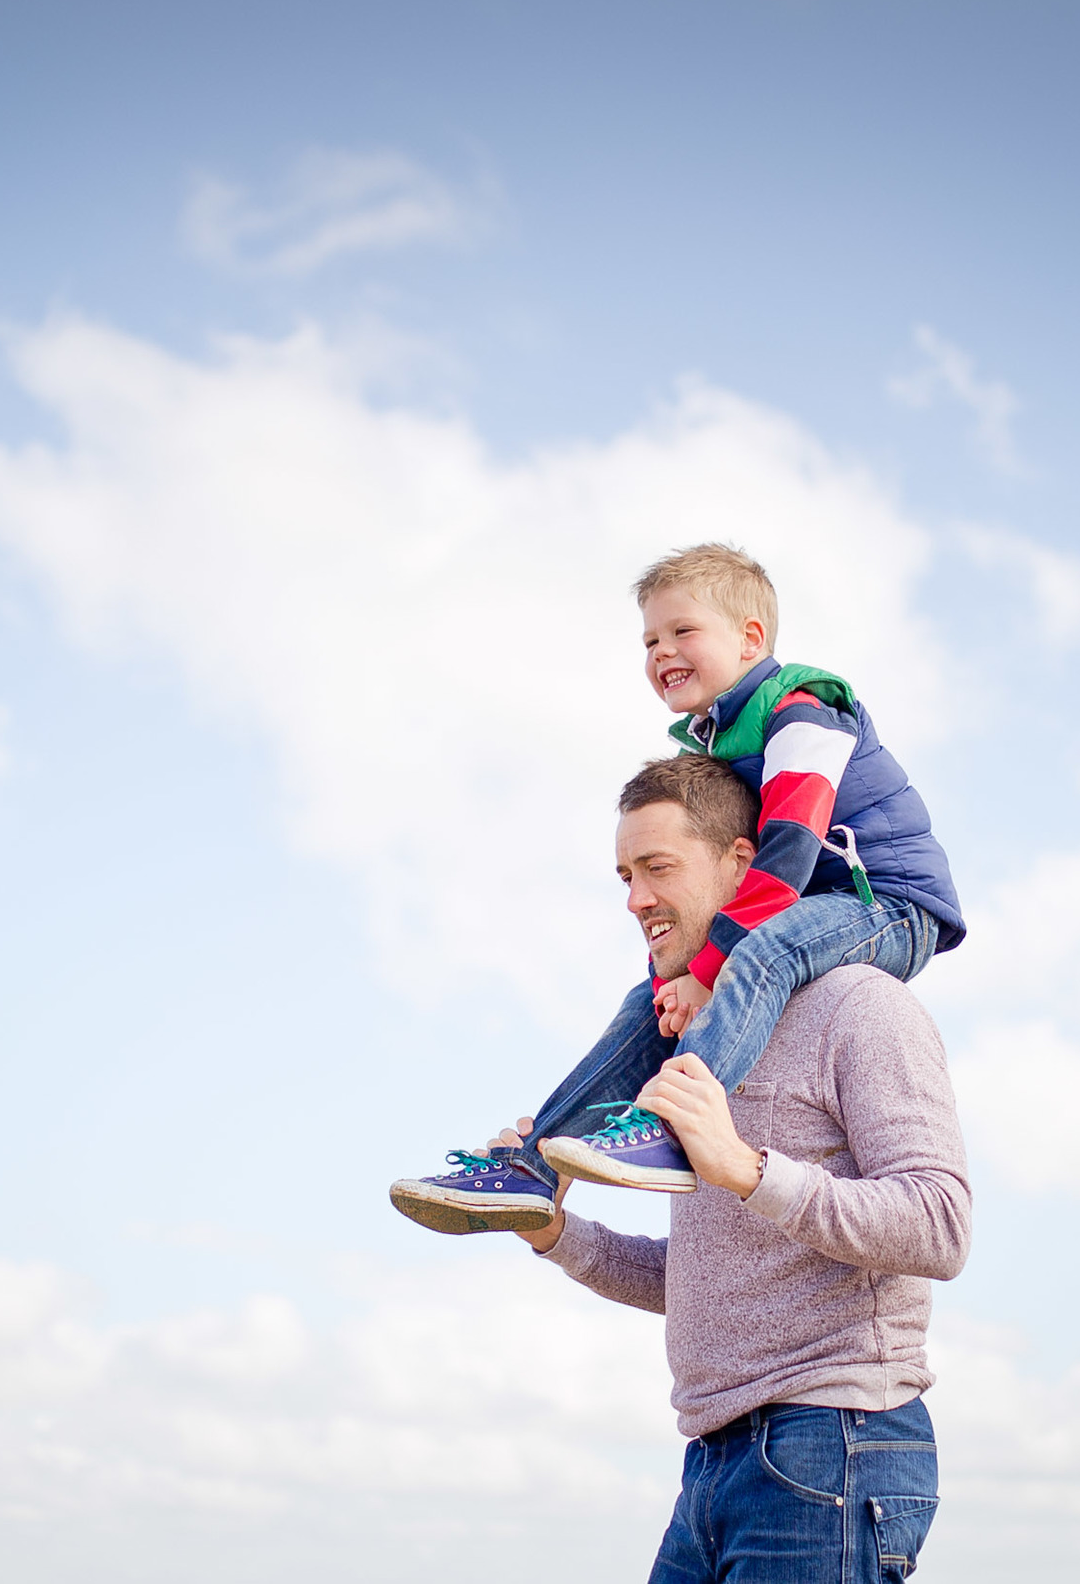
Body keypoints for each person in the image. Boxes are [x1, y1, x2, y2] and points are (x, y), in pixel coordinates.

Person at [390, 544, 964, 1233]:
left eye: (681, 631)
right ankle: (533, 1166)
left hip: (890, 904)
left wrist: (709, 967)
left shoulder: (804, 710)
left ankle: (669, 1123)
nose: (662, 651)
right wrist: (681, 981)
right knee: (654, 994)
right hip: (814, 907)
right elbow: (718, 886)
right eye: (650, 639)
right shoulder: (715, 743)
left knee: (758, 953)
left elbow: (786, 848)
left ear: (751, 637)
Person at [508, 756, 971, 1581]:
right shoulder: (697, 1029)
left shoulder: (860, 1004)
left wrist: (748, 1169)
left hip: (835, 1442)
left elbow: (940, 1224)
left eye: (657, 868)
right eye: (624, 875)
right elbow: (704, 1275)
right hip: (715, 1464)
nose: (635, 899)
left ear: (743, 863)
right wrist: (554, 1233)